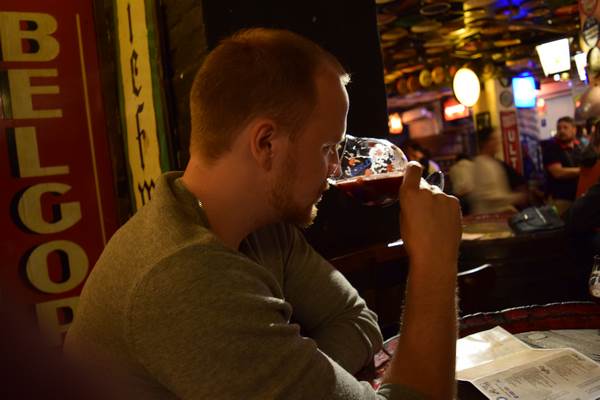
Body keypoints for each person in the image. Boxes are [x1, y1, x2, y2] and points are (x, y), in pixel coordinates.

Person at [64, 28, 462, 399]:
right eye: (327, 148)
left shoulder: (259, 227)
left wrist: (300, 374)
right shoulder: (183, 275)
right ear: (267, 143)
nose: (335, 168)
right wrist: (434, 262)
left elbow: (356, 319)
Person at [469, 128, 527, 214]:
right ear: (485, 143)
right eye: (494, 139)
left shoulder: (492, 162)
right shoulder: (481, 164)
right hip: (489, 216)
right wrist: (517, 198)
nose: (498, 142)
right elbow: (488, 198)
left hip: (499, 213)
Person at [540, 116, 583, 215]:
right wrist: (583, 171)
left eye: (565, 127)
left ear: (574, 130)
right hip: (560, 199)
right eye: (559, 128)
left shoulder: (579, 147)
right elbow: (558, 173)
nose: (561, 131)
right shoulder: (552, 148)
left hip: (579, 198)